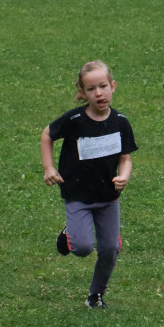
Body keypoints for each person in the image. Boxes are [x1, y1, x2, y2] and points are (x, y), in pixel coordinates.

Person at [41, 61, 137, 309]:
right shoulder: (74, 120)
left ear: (112, 86)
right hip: (77, 194)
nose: (99, 93)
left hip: (108, 196)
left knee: (110, 248)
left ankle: (96, 295)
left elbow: (126, 158)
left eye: (103, 86)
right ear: (82, 93)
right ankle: (69, 234)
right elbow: (47, 134)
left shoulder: (120, 123)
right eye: (91, 89)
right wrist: (49, 167)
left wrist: (124, 176)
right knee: (83, 247)